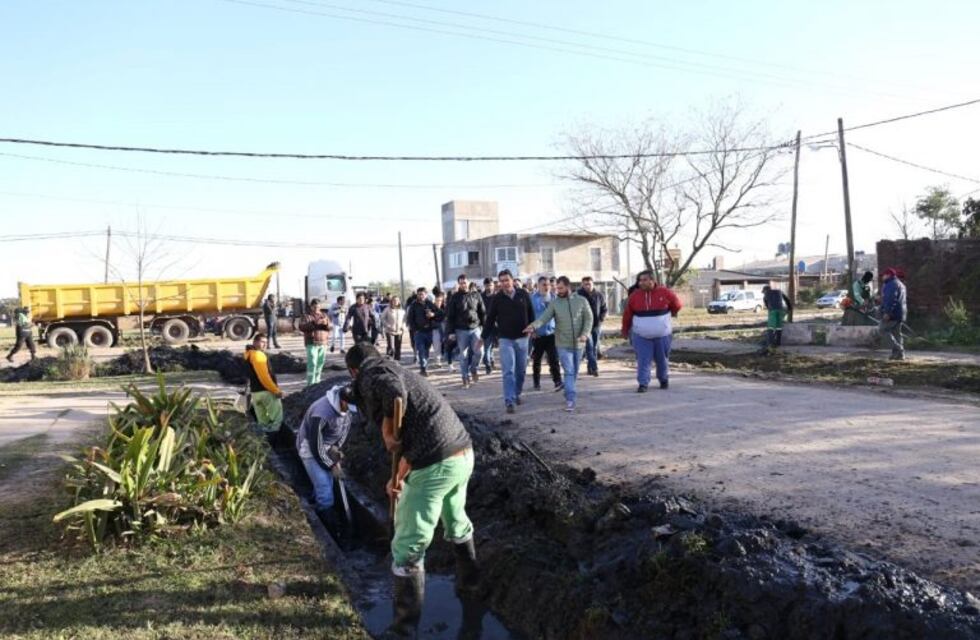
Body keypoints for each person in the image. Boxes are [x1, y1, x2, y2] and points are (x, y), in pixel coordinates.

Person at [345, 343, 478, 637]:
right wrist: (399, 478)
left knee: (407, 546)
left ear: (354, 370)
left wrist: (388, 432)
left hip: (436, 466)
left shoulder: (373, 373)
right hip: (461, 455)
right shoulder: (398, 369)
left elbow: (393, 393)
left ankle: (403, 630)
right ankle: (470, 586)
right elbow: (417, 435)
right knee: (456, 521)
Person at [525, 276, 592, 412]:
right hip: (562, 343)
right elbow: (544, 318)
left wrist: (585, 333)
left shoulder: (581, 301)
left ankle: (568, 390)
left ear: (568, 287)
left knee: (574, 372)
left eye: (560, 288)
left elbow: (589, 318)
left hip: (579, 343)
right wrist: (532, 326)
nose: (558, 290)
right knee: (568, 371)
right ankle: (570, 400)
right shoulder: (555, 303)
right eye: (557, 288)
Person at [295, 384, 356, 532]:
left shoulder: (349, 407)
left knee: (326, 481)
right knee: (325, 492)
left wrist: (336, 450)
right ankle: (331, 531)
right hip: (309, 447)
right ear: (342, 401)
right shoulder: (321, 413)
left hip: (326, 445)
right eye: (349, 407)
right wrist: (330, 465)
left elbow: (343, 429)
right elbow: (316, 446)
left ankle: (315, 503)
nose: (350, 411)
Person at [481, 270, 535, 414]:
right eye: (502, 281)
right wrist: (483, 337)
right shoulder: (497, 298)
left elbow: (531, 313)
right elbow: (490, 319)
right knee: (508, 371)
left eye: (507, 280)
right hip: (505, 339)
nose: (504, 283)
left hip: (523, 338)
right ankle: (509, 400)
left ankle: (516, 393)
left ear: (512, 280)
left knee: (521, 371)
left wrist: (533, 327)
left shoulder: (523, 294)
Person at [622, 270, 682, 392]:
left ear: (652, 280)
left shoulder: (665, 292)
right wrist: (625, 330)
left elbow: (677, 305)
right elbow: (627, 314)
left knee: (662, 359)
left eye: (644, 280)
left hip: (662, 335)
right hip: (641, 335)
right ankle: (643, 384)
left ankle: (663, 379)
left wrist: (672, 313)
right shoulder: (634, 296)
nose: (641, 283)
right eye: (640, 280)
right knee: (643, 360)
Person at [445, 274, 486, 389]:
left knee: (480, 352)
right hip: (460, 330)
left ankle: (473, 369)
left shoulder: (476, 295)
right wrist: (451, 332)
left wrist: (485, 329)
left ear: (468, 282)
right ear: (459, 284)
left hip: (475, 328)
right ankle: (465, 378)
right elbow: (450, 316)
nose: (463, 285)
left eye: (465, 282)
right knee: (463, 356)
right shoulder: (455, 297)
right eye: (461, 283)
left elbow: (483, 312)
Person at [243, 333, 283, 444]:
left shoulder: (248, 354)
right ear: (255, 342)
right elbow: (264, 377)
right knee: (276, 420)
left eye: (266, 342)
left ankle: (265, 445)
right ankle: (276, 444)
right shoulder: (258, 355)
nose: (265, 344)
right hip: (266, 393)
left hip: (255, 393)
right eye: (262, 342)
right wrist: (276, 390)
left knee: (262, 422)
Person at [529, 277, 562, 392]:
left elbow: (559, 316)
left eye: (548, 284)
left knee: (554, 359)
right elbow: (529, 316)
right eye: (543, 284)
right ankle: (536, 381)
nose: (546, 286)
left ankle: (557, 381)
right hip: (538, 334)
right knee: (537, 360)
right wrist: (532, 331)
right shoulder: (532, 299)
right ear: (538, 285)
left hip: (551, 333)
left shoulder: (555, 298)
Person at [406, 287, 443, 376]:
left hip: (429, 331)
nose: (421, 296)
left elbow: (441, 314)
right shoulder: (413, 305)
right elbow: (410, 319)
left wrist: (433, 314)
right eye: (419, 294)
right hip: (419, 332)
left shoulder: (429, 304)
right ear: (417, 295)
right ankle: (423, 368)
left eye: (423, 294)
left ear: (426, 294)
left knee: (426, 350)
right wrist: (415, 329)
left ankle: (424, 366)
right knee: (421, 350)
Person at [577, 276, 608, 376]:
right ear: (582, 284)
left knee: (594, 347)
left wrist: (601, 318)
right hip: (585, 326)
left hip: (596, 325)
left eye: (589, 284)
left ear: (592, 284)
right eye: (585, 284)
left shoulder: (598, 295)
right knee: (589, 347)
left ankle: (590, 368)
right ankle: (594, 368)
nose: (587, 286)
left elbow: (604, 308)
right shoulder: (578, 295)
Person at [299, 299, 332, 386]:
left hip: (323, 343)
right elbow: (302, 327)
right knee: (312, 363)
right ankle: (310, 384)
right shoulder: (306, 316)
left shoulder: (324, 315)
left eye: (318, 306)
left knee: (320, 364)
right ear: (311, 307)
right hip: (311, 343)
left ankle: (317, 383)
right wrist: (314, 323)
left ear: (320, 306)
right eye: (314, 306)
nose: (316, 308)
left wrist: (327, 323)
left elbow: (330, 327)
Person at [879, 267, 907, 361]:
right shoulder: (901, 284)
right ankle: (898, 355)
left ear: (888, 275)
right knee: (897, 334)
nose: (882, 277)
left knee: (882, 330)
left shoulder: (890, 285)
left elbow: (891, 299)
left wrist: (887, 312)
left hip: (892, 314)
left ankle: (899, 350)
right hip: (900, 313)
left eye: (883, 275)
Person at [762, 285, 793, 350]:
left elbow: (767, 305)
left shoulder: (766, 295)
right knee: (779, 327)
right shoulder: (779, 291)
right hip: (781, 310)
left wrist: (770, 310)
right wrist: (789, 308)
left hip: (773, 311)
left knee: (771, 327)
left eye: (763, 292)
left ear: (765, 290)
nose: (764, 293)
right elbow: (787, 299)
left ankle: (770, 343)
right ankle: (778, 343)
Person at [381, 295, 407, 361]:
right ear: (391, 301)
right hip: (390, 331)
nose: (395, 302)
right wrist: (387, 325)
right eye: (394, 300)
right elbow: (382, 318)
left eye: (397, 301)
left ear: (399, 302)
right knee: (391, 347)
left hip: (399, 331)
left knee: (398, 347)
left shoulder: (402, 310)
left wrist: (403, 326)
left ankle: (397, 360)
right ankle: (389, 359)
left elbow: (405, 319)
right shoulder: (387, 309)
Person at [480, 278, 497, 374]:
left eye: (490, 285)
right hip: (485, 325)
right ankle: (488, 365)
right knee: (487, 346)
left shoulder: (496, 296)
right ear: (484, 286)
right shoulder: (481, 297)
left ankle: (491, 360)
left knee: (491, 346)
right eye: (487, 285)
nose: (489, 287)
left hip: (496, 326)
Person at [431, 292, 447, 368]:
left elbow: (445, 315)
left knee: (445, 343)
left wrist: (435, 315)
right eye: (437, 300)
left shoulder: (445, 307)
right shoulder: (431, 307)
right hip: (435, 328)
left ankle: (446, 357)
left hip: (444, 328)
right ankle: (438, 361)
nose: (439, 302)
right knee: (437, 345)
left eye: (440, 300)